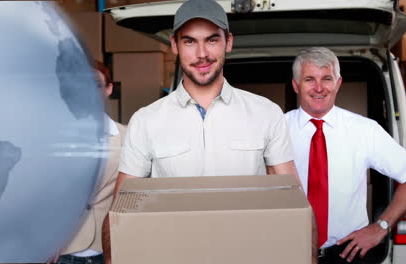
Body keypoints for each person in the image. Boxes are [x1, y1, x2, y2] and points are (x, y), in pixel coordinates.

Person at [102, 0, 317, 263]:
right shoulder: (146, 121)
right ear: (174, 45)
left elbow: (295, 204)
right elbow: (120, 213)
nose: (202, 54)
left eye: (212, 40)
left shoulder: (265, 114)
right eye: (190, 42)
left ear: (228, 42)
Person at [286, 47, 406, 264]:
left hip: (348, 255)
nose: (319, 88)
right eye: (310, 79)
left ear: (338, 84)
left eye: (327, 79)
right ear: (296, 85)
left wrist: (381, 227)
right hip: (289, 252)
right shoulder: (277, 131)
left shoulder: (365, 130)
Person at [50, 60, 127, 264]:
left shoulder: (128, 136)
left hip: (112, 249)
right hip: (63, 250)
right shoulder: (52, 138)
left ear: (109, 88)